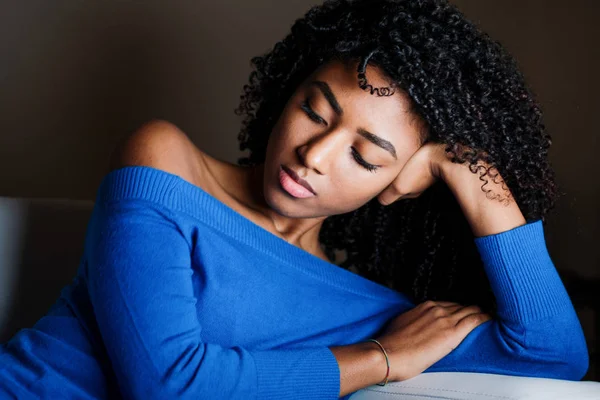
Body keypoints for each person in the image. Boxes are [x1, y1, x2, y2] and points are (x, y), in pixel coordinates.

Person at [0, 0, 589, 399]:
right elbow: (168, 386)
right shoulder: (165, 160)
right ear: (287, 92)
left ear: (396, 183)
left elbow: (554, 357)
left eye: (365, 156)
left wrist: (469, 168)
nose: (315, 155)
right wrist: (380, 359)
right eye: (314, 110)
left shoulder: (374, 310)